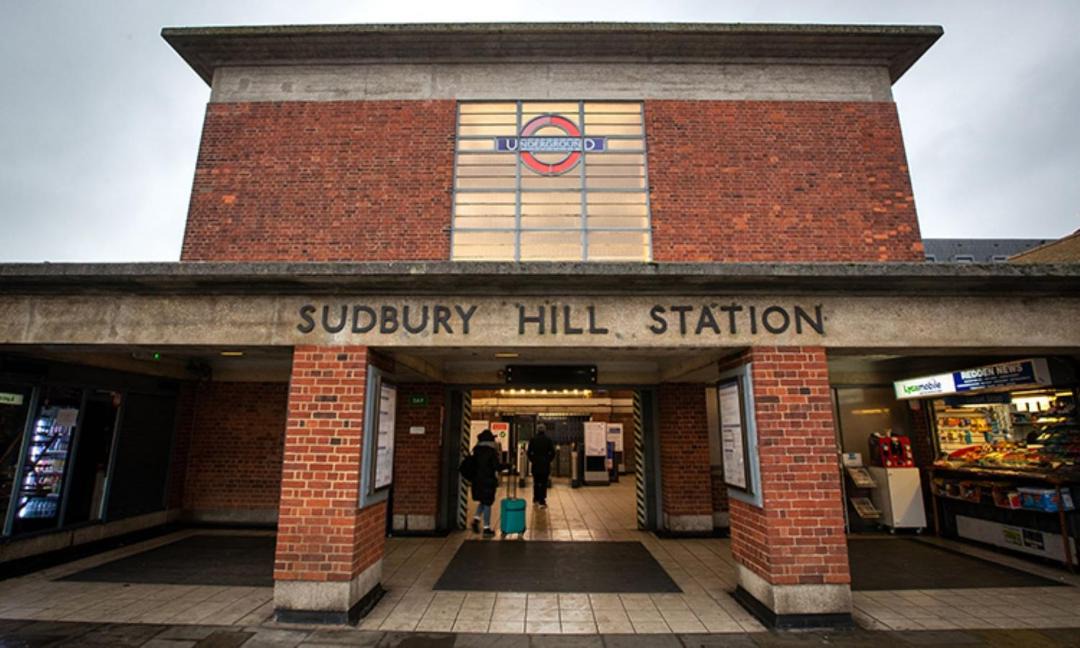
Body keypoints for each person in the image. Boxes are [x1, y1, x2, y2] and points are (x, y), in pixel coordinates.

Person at [468, 429, 500, 536]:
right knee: (487, 503)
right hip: (488, 480)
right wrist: (508, 466)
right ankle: (487, 528)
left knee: (483, 500)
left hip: (477, 481)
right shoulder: (491, 451)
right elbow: (496, 466)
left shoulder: (476, 450)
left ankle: (476, 519)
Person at [527, 425, 556, 508]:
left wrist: (533, 460)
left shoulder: (533, 439)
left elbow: (529, 452)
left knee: (536, 482)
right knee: (543, 483)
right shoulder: (548, 440)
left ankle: (535, 498)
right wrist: (548, 460)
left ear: (537, 430)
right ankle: (542, 500)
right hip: (545, 466)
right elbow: (553, 452)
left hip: (535, 465)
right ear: (544, 430)